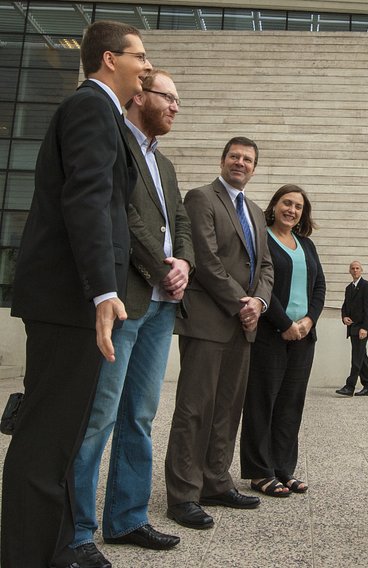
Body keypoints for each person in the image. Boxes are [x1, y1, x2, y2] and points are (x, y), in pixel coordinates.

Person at [2, 21, 151, 568]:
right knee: (46, 436)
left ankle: (60, 546)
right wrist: (103, 292)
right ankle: (26, 555)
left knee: (62, 435)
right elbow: (87, 202)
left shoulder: (103, 113)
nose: (147, 65)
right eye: (140, 56)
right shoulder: (91, 107)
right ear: (110, 59)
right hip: (69, 302)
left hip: (73, 301)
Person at [69, 69, 194, 567]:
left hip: (163, 307)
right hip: (125, 300)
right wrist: (161, 266)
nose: (176, 107)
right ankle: (77, 530)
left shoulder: (164, 164)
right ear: (141, 96)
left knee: (140, 415)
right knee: (98, 418)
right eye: (170, 96)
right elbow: (122, 213)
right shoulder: (115, 142)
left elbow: (179, 219)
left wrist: (183, 262)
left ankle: (126, 518)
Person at [164, 136, 274, 530]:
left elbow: (265, 266)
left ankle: (215, 480)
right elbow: (206, 260)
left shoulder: (258, 213)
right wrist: (241, 302)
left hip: (242, 326)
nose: (240, 163)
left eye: (247, 159)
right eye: (234, 157)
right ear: (223, 160)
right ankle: (183, 494)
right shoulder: (201, 198)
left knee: (228, 409)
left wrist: (258, 303)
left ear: (254, 167)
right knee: (195, 409)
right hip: (209, 320)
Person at [240, 184, 326, 497]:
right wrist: (285, 323)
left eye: (298, 207)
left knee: (291, 404)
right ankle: (259, 471)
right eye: (286, 203)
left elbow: (319, 288)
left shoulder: (307, 244)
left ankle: (283, 469)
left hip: (304, 337)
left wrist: (308, 321)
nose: (292, 210)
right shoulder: (261, 238)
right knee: (262, 401)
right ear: (275, 205)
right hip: (271, 334)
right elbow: (261, 286)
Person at [335, 261, 368, 396]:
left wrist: (365, 328)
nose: (355, 270)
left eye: (357, 268)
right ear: (349, 271)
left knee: (356, 357)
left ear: (361, 270)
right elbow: (345, 305)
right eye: (353, 268)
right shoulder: (349, 288)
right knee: (361, 356)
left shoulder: (366, 286)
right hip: (352, 328)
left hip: (362, 328)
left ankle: (349, 386)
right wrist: (344, 317)